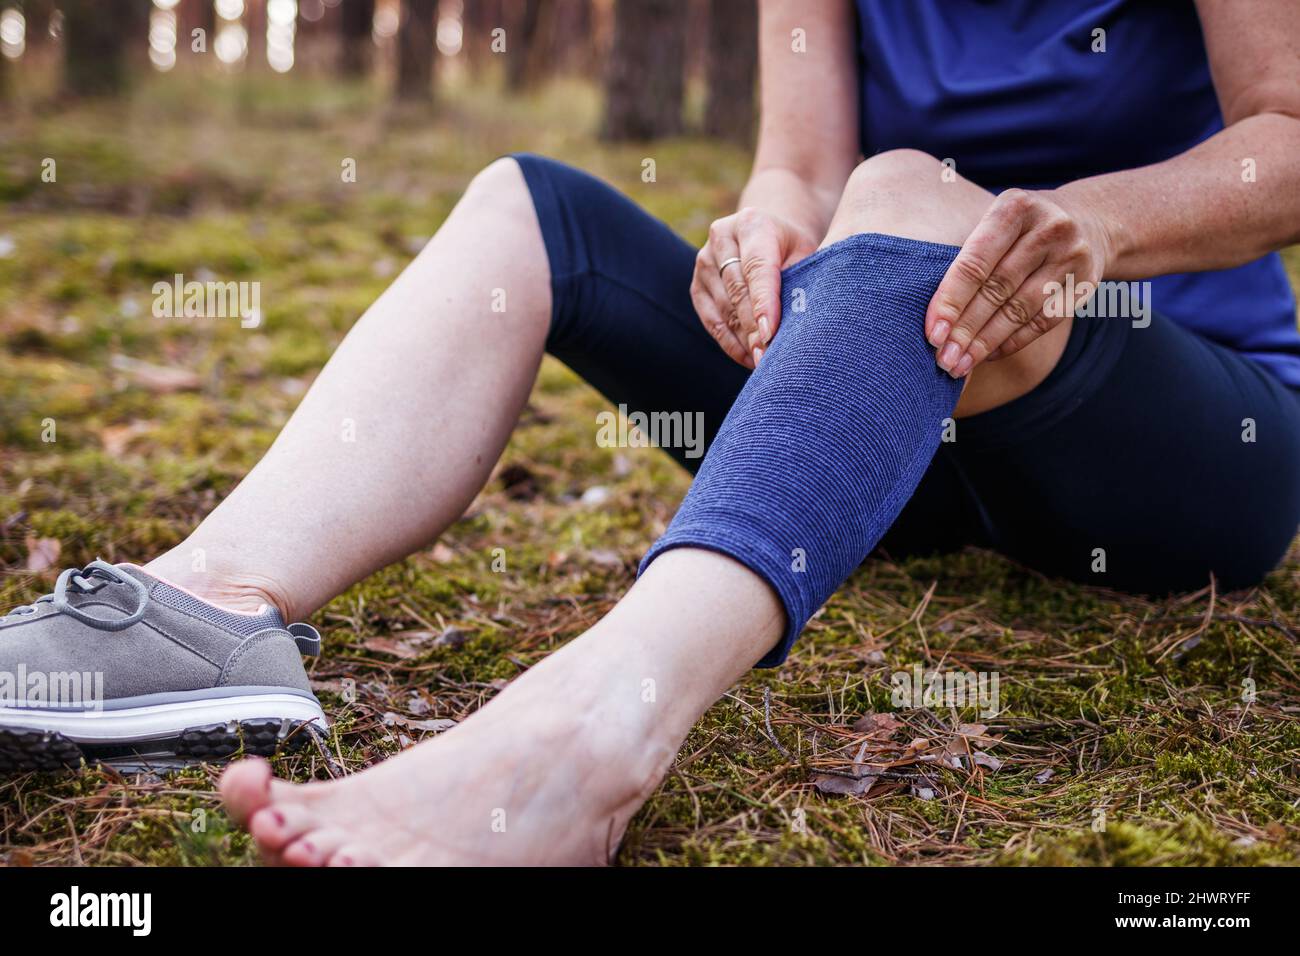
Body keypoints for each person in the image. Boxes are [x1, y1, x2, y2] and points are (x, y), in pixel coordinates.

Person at [2, 0, 1298, 864]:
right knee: (532, 203)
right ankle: (204, 607)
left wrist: (1099, 226)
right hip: (884, 427)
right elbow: (800, 163)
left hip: (1170, 435)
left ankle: (597, 730)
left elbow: (1288, 140)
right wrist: (762, 232)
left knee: (903, 191)